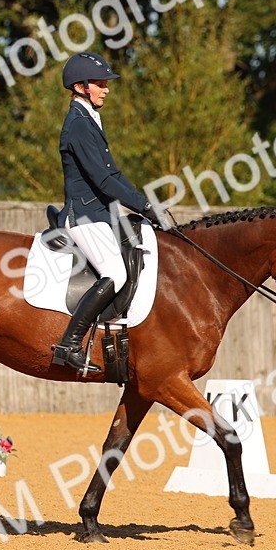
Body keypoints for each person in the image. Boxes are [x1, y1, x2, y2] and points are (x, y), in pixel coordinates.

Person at [51, 52, 163, 374]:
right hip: (84, 217)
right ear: (81, 86)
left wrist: (144, 205)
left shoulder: (89, 119)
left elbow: (112, 174)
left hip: (100, 213)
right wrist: (143, 205)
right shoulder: (78, 125)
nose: (106, 89)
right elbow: (102, 178)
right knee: (117, 272)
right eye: (100, 83)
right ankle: (70, 343)